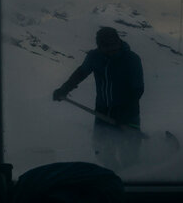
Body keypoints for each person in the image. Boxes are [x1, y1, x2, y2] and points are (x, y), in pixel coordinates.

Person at [53, 27, 144, 170]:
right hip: (102, 111)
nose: (112, 50)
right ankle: (113, 173)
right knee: (101, 149)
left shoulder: (132, 59)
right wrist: (64, 89)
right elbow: (81, 73)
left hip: (129, 112)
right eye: (107, 47)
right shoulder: (94, 57)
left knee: (129, 151)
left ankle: (134, 175)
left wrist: (125, 114)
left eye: (114, 45)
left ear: (119, 41)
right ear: (99, 47)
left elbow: (137, 89)